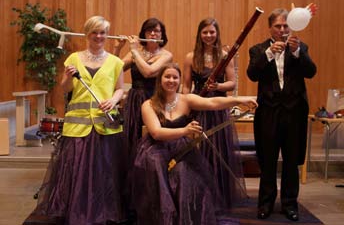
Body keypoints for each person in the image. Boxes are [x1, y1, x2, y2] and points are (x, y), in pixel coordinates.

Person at [129, 63, 257, 224]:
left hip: (182, 149)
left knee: (184, 174)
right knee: (156, 168)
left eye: (175, 77)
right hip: (156, 149)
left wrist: (240, 100)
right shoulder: (148, 104)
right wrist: (185, 130)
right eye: (167, 76)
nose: (171, 80)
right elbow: (156, 133)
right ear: (159, 80)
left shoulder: (186, 99)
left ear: (180, 80)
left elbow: (213, 103)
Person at [32, 16, 128, 224]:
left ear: (107, 34)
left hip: (104, 126)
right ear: (87, 34)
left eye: (102, 32)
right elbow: (65, 89)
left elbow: (120, 88)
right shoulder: (73, 59)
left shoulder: (115, 62)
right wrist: (67, 77)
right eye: (94, 32)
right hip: (77, 127)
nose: (99, 36)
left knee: (103, 172)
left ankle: (102, 212)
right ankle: (78, 212)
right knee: (78, 173)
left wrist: (113, 100)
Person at [246, 8, 316, 221]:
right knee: (267, 161)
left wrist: (297, 53)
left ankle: (290, 204)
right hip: (268, 112)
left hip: (293, 113)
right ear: (270, 28)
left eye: (286, 26)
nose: (282, 30)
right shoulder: (258, 50)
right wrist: (269, 54)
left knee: (291, 161)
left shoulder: (300, 47)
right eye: (278, 26)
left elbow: (311, 72)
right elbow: (252, 74)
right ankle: (265, 204)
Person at [182, 17, 246, 208]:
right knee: (200, 151)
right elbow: (185, 86)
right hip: (200, 108)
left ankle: (218, 197)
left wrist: (218, 85)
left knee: (219, 150)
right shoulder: (190, 57)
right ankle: (199, 196)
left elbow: (232, 83)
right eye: (205, 32)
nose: (208, 35)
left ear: (217, 33)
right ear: (199, 34)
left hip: (218, 109)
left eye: (212, 32)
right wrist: (188, 104)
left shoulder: (225, 55)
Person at [113, 17, 173, 158]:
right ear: (143, 34)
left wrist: (134, 52)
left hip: (155, 99)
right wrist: (117, 48)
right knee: (132, 137)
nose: (153, 34)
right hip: (134, 100)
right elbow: (115, 69)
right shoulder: (136, 51)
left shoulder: (166, 55)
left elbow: (149, 72)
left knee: (151, 136)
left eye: (157, 31)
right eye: (149, 31)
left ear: (162, 35)